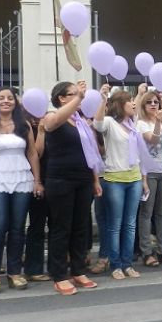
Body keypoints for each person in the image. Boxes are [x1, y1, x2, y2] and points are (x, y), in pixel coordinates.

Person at [0, 87, 41, 293]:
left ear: (15, 102)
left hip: (21, 177)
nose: (6, 101)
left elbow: (32, 153)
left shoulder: (24, 125)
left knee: (17, 226)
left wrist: (37, 181)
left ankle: (14, 272)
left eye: (10, 98)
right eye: (1, 98)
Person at [43, 81, 103, 295]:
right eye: (74, 94)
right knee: (61, 228)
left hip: (84, 179)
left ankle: (78, 270)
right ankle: (59, 274)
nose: (81, 98)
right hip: (60, 179)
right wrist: (80, 97)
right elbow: (52, 124)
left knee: (81, 226)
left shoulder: (81, 122)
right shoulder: (51, 116)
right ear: (62, 98)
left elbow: (91, 154)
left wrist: (95, 180)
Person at [94, 85, 147, 280]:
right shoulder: (109, 122)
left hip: (134, 179)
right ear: (119, 105)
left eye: (134, 100)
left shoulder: (134, 124)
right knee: (115, 225)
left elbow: (140, 154)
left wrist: (143, 179)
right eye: (129, 101)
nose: (134, 103)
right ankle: (115, 265)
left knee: (130, 224)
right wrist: (103, 99)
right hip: (114, 179)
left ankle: (127, 264)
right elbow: (97, 125)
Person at [136, 91, 162, 266]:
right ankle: (146, 251)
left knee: (161, 212)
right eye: (149, 102)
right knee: (146, 213)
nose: (153, 105)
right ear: (143, 106)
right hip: (149, 172)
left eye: (156, 102)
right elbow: (152, 140)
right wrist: (158, 122)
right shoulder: (141, 124)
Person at [23, 117, 50, 282]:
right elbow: (36, 153)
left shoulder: (53, 121)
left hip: (56, 178)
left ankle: (57, 266)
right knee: (37, 225)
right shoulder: (28, 127)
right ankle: (33, 268)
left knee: (57, 225)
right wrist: (41, 131)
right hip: (37, 181)